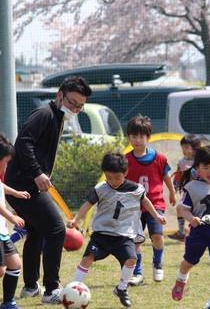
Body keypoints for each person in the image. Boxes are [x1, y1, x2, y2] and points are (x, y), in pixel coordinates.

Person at [5, 76, 92, 304]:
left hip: (24, 184)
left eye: (80, 106)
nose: (75, 108)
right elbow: (23, 143)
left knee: (37, 231)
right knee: (55, 229)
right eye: (72, 102)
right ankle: (52, 289)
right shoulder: (45, 114)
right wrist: (37, 173)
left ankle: (31, 286)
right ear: (60, 95)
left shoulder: (58, 117)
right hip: (23, 185)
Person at [68, 153, 166, 308]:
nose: (112, 181)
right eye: (108, 177)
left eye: (117, 177)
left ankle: (121, 289)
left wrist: (156, 216)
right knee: (87, 259)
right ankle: (73, 288)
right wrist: (76, 219)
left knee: (131, 260)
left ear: (126, 173)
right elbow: (87, 205)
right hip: (101, 235)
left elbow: (145, 201)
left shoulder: (136, 189)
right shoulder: (100, 189)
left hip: (123, 236)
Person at [171, 144, 210, 301]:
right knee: (189, 262)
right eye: (206, 167)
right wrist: (191, 219)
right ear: (197, 167)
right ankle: (180, 280)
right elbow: (183, 209)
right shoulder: (191, 188)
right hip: (199, 232)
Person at [125, 115, 176, 286]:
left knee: (157, 236)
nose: (137, 140)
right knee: (136, 240)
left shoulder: (159, 158)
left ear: (148, 137)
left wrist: (172, 192)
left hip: (155, 204)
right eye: (134, 136)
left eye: (141, 136)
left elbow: (166, 176)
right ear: (129, 137)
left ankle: (158, 264)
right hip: (134, 207)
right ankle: (137, 273)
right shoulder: (126, 160)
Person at [0, 134, 25, 309]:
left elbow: (1, 188)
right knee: (0, 271)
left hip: (2, 231)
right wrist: (11, 217)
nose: (7, 166)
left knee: (15, 264)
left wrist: (15, 193)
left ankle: (8, 303)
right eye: (6, 162)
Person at [168, 134, 201, 242]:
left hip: (200, 193)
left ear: (195, 147)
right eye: (183, 147)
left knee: (197, 213)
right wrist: (175, 186)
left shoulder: (201, 161)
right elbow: (178, 176)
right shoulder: (182, 162)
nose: (184, 150)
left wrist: (190, 171)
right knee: (179, 208)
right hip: (188, 193)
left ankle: (196, 233)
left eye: (186, 147)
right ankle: (181, 233)